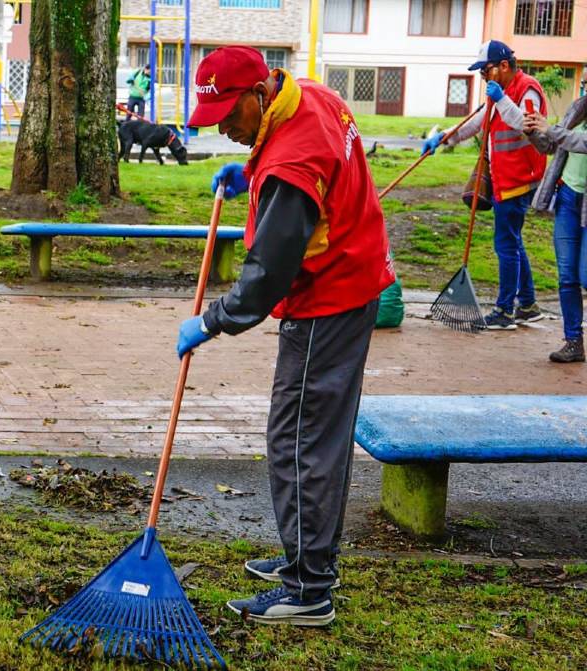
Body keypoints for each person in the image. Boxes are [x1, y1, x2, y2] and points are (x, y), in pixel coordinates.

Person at [178, 46, 394, 626]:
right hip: (356, 277)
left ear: (257, 94)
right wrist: (251, 174)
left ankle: (308, 589)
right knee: (317, 436)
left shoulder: (291, 165)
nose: (225, 129)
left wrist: (211, 321)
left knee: (298, 439)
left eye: (229, 115)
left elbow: (266, 277)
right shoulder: (311, 97)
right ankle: (309, 558)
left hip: (329, 300)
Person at [423, 40, 548, 330]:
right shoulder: (498, 93)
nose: (483, 77)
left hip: (520, 179)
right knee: (512, 241)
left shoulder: (527, 88)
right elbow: (476, 123)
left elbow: (527, 125)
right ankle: (527, 305)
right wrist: (442, 139)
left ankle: (505, 312)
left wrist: (501, 99)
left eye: (485, 71)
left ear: (503, 66)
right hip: (506, 178)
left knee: (505, 244)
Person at [522, 71, 587, 363]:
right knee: (567, 275)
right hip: (568, 198)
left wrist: (552, 130)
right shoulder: (578, 108)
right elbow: (552, 145)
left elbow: (581, 142)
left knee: (585, 274)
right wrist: (534, 132)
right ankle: (573, 342)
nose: (584, 86)